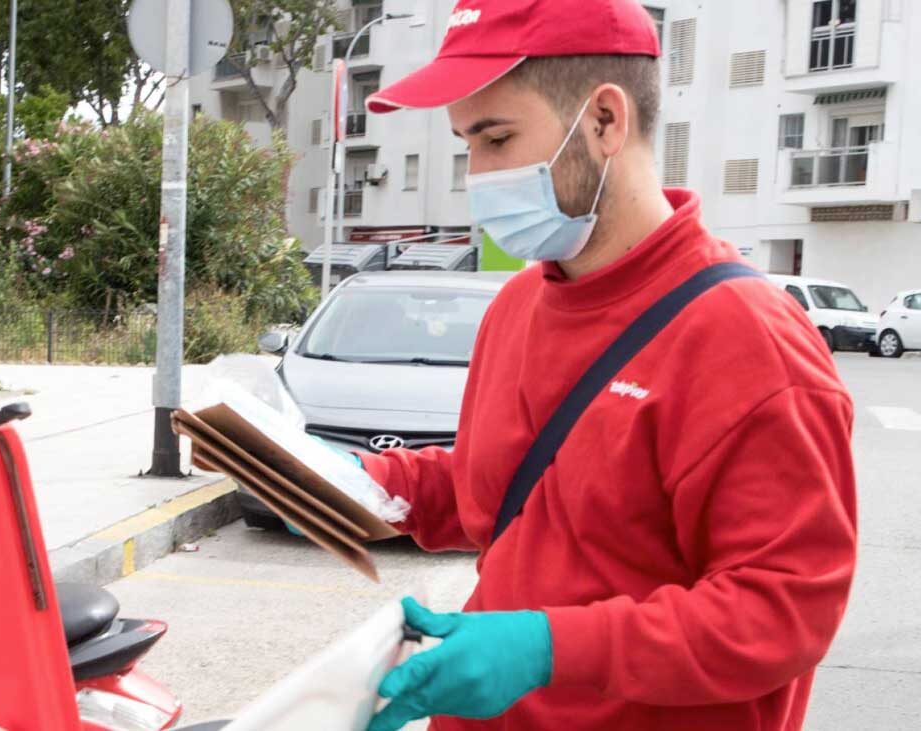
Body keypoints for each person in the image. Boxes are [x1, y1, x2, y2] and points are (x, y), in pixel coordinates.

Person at [355, 1, 859, 730]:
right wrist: (346, 482)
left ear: (604, 122)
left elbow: (783, 608)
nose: (477, 173)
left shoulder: (746, 339)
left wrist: (549, 646)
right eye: (467, 143)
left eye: (496, 137)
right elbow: (497, 488)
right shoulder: (519, 305)